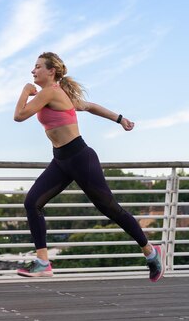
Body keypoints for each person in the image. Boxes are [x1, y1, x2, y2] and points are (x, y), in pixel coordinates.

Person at [13, 52, 164, 282]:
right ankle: (43, 261)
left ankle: (151, 252)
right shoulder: (55, 93)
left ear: (51, 71)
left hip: (81, 158)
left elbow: (19, 115)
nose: (33, 72)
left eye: (37, 67)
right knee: (32, 202)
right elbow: (90, 106)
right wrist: (120, 118)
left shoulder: (51, 92)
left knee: (111, 209)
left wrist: (25, 90)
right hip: (61, 161)